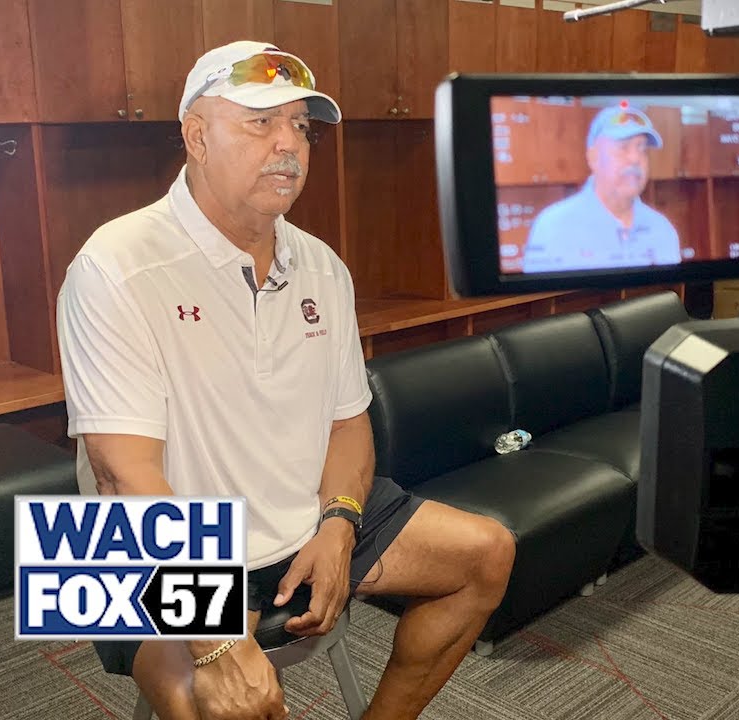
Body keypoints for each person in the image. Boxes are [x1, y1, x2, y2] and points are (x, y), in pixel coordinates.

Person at [55, 41, 515, 720]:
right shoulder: (113, 266)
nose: (289, 146)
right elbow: (123, 477)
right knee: (219, 703)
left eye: (300, 126)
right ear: (196, 136)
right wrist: (214, 645)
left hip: (298, 510)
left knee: (488, 554)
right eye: (260, 123)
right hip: (137, 550)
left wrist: (339, 524)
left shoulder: (323, 266)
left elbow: (348, 421)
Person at [520, 103, 682, 273]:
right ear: (593, 157)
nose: (635, 158)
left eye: (641, 148)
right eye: (623, 147)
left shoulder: (662, 229)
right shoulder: (553, 227)